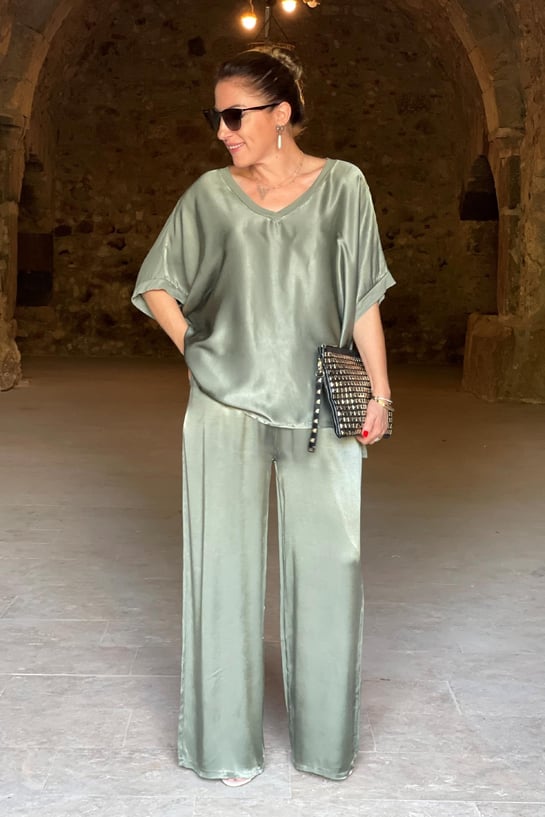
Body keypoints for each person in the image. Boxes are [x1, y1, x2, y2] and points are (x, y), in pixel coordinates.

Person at [132, 45, 395, 787]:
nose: (221, 131)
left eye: (233, 115)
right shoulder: (210, 195)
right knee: (221, 570)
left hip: (320, 404)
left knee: (332, 568)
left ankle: (324, 745)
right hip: (224, 407)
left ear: (281, 114)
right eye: (214, 117)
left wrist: (379, 392)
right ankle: (224, 745)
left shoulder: (344, 186)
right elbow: (157, 282)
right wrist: (198, 350)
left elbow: (363, 295)